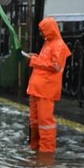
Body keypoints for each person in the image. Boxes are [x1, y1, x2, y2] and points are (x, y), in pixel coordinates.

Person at [22, 17, 72, 153]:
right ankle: (35, 147)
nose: (41, 33)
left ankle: (46, 152)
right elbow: (46, 62)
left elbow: (55, 66)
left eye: (42, 30)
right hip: (37, 88)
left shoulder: (59, 46)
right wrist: (36, 57)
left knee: (45, 122)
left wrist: (33, 60)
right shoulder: (48, 44)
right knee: (35, 121)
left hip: (46, 90)